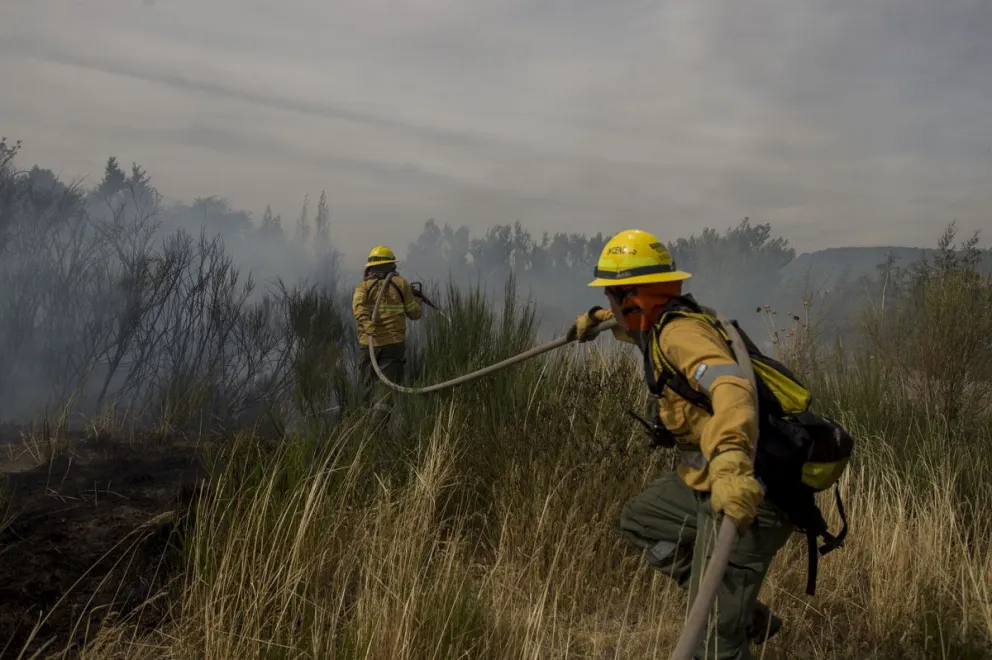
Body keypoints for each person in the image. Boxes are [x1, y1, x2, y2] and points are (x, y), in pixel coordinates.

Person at [569, 229, 792, 659]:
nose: (613, 303)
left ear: (634, 296)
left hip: (744, 489)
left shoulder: (679, 334)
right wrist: (598, 320)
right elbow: (636, 332)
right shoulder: (658, 324)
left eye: (614, 295)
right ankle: (740, 611)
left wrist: (730, 466)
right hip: (701, 481)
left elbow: (731, 386)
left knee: (711, 637)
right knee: (640, 520)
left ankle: (725, 616)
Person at [352, 244, 422, 412]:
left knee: (366, 390)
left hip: (369, 345)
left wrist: (368, 325)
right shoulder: (401, 284)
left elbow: (358, 307)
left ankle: (365, 430)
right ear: (391, 264)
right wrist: (416, 301)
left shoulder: (363, 287)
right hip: (393, 345)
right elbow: (415, 314)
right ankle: (377, 431)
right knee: (384, 395)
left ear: (370, 267)